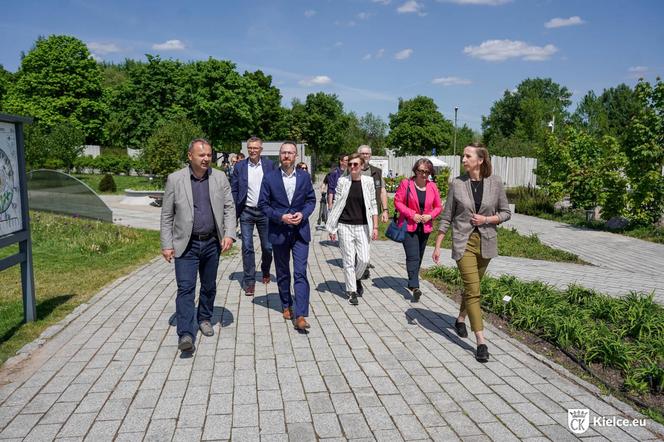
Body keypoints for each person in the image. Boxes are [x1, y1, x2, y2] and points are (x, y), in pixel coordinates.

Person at [432, 143, 511, 363]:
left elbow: (506, 213)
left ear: (480, 160)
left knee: (472, 288)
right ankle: (481, 342)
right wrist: (438, 244)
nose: (463, 160)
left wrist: (487, 219)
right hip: (463, 242)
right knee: (474, 290)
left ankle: (460, 319)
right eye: (463, 156)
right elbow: (447, 216)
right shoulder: (457, 183)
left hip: (486, 242)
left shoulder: (495, 183)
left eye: (467, 156)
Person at [160, 138, 235, 352]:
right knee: (186, 288)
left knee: (209, 285)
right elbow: (167, 215)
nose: (206, 159)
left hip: (212, 243)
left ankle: (204, 318)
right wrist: (166, 244)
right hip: (186, 245)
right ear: (190, 156)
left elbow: (230, 207)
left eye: (209, 155)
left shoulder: (219, 178)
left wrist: (229, 233)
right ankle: (185, 332)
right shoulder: (175, 179)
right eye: (201, 155)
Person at [258, 141, 317, 330]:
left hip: (300, 232)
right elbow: (263, 205)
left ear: (296, 156)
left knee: (300, 272)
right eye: (283, 153)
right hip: (279, 231)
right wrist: (280, 217)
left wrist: (304, 214)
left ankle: (300, 315)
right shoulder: (269, 178)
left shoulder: (304, 177)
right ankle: (286, 304)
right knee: (283, 272)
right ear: (279, 155)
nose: (286, 156)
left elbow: (311, 200)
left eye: (290, 153)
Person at [326, 153, 378, 305]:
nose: (353, 167)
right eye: (350, 164)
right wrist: (332, 228)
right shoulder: (342, 181)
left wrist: (375, 227)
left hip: (363, 226)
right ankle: (352, 291)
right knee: (348, 260)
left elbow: (373, 204)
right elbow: (336, 204)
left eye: (356, 164)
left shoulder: (368, 181)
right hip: (345, 225)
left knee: (363, 259)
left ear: (362, 166)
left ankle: (356, 278)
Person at [231, 136, 276, 295]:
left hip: (264, 212)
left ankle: (265, 270)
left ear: (261, 150)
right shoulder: (240, 166)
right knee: (247, 246)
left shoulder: (270, 165)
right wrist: (234, 212)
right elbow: (235, 189)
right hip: (246, 211)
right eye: (250, 148)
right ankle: (249, 281)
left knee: (268, 247)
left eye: (255, 148)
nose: (252, 150)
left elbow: (275, 187)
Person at [394, 159, 442, 302]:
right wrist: (412, 214)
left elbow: (438, 207)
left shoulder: (432, 186)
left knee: (419, 256)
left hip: (425, 227)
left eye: (427, 172)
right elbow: (397, 201)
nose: (423, 174)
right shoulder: (406, 183)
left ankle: (413, 278)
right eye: (421, 171)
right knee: (413, 255)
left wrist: (430, 216)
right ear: (415, 170)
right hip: (408, 226)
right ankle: (414, 286)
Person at [357, 145, 388, 279]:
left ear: (370, 155)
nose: (365, 156)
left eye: (367, 154)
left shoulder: (376, 172)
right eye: (362, 153)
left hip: (371, 211)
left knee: (367, 237)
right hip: (355, 211)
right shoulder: (352, 169)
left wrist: (385, 210)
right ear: (358, 154)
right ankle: (361, 264)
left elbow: (382, 191)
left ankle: (364, 261)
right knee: (357, 238)